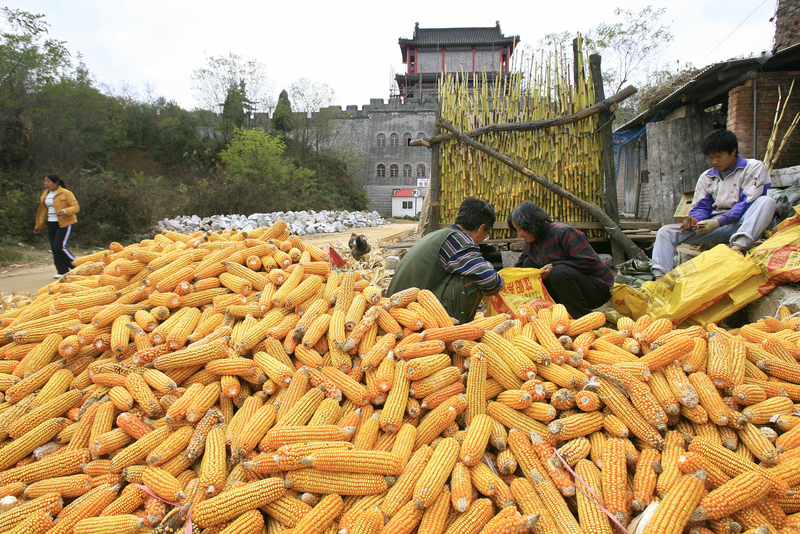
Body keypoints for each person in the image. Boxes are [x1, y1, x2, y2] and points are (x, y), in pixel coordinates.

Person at [650, 129, 776, 279]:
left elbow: (747, 203)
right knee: (665, 231)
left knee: (766, 201)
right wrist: (695, 220)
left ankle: (738, 247)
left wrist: (719, 221)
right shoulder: (707, 177)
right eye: (711, 158)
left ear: (733, 151)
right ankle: (660, 279)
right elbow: (701, 207)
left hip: (743, 224)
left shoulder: (753, 167)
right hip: (712, 226)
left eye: (718, 156)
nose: (714, 161)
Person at [387, 197, 503, 323]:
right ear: (481, 228)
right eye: (486, 233)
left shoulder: (439, 235)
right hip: (409, 316)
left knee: (473, 270)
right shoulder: (459, 240)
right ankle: (459, 327)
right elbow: (490, 281)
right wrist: (501, 280)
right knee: (477, 276)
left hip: (397, 309)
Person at [509, 200, 613, 319]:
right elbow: (517, 268)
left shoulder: (564, 232)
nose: (519, 234)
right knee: (528, 264)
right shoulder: (529, 243)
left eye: (520, 229)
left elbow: (589, 261)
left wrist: (554, 265)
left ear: (530, 224)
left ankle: (583, 318)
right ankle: (552, 312)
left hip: (595, 290)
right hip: (565, 291)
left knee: (558, 272)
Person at [34, 174, 79, 278]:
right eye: (45, 181)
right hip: (51, 223)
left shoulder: (66, 193)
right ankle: (62, 271)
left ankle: (77, 267)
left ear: (56, 183)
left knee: (59, 247)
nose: (46, 184)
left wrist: (64, 211)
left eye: (48, 182)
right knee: (54, 248)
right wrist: (39, 225)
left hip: (64, 223)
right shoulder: (45, 194)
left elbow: (75, 207)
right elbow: (43, 211)